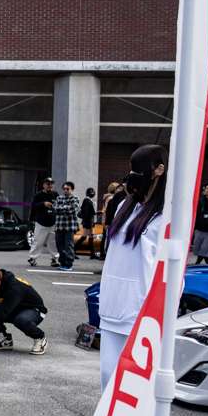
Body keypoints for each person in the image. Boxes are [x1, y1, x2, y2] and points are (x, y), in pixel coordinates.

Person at [99, 145, 167, 388]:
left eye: (139, 169)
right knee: (108, 376)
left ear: (159, 170)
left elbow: (171, 270)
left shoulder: (167, 215)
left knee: (131, 385)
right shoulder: (124, 206)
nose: (133, 175)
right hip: (112, 305)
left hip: (140, 309)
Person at [26, 177, 58, 266]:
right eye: (48, 184)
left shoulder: (55, 195)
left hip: (52, 222)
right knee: (38, 241)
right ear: (44, 185)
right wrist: (43, 204)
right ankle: (32, 258)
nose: (50, 185)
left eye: (51, 184)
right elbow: (33, 206)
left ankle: (55, 259)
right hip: (41, 222)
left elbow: (58, 206)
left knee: (53, 242)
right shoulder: (38, 195)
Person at [53, 181, 80, 271]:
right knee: (59, 245)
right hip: (59, 226)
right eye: (64, 189)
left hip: (69, 227)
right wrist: (65, 208)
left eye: (67, 189)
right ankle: (62, 262)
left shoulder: (75, 198)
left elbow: (73, 210)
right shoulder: (59, 198)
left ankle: (69, 264)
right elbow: (54, 209)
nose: (65, 190)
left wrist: (61, 208)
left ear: (72, 189)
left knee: (68, 245)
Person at [78, 187, 98, 259]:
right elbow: (87, 213)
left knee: (90, 236)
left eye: (93, 192)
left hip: (89, 221)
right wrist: (89, 223)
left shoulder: (89, 200)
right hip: (87, 222)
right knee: (84, 236)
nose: (92, 193)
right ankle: (72, 251)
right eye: (91, 192)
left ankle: (92, 254)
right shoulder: (87, 200)